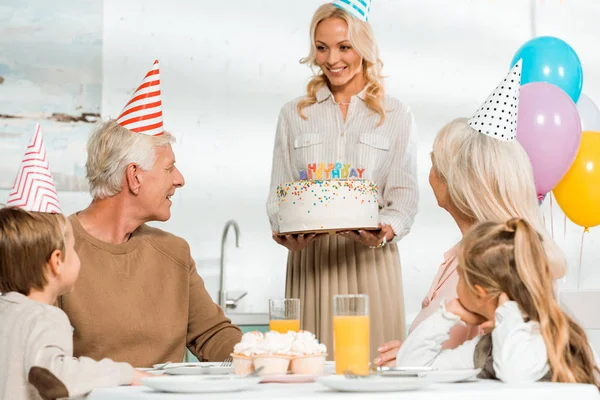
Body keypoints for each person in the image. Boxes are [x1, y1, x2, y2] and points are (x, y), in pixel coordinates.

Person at [375, 61, 566, 366]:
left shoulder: (503, 264)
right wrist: (415, 352)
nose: (430, 173)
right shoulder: (460, 256)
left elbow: (498, 360)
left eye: (435, 163)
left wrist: (422, 360)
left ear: (458, 184)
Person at [58, 61, 242, 367]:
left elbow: (213, 335)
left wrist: (268, 352)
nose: (179, 178)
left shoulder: (174, 252)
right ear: (135, 176)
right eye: (169, 168)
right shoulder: (53, 247)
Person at [266, 1, 418, 359]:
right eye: (322, 47)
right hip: (312, 263)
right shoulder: (294, 114)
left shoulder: (396, 115)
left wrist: (384, 230)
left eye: (344, 46)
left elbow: (405, 198)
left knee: (372, 369)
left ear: (363, 46)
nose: (332, 59)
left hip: (371, 262)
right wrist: (286, 233)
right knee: (309, 370)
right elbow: (279, 193)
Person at [0, 127, 148, 400]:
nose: (77, 256)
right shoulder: (45, 317)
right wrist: (125, 373)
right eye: (73, 249)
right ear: (57, 262)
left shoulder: (5, 311)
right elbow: (55, 377)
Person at [396, 218, 599, 388]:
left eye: (460, 276)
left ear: (480, 293)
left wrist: (506, 310)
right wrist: (446, 314)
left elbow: (515, 375)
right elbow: (411, 370)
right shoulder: (486, 346)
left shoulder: (545, 336)